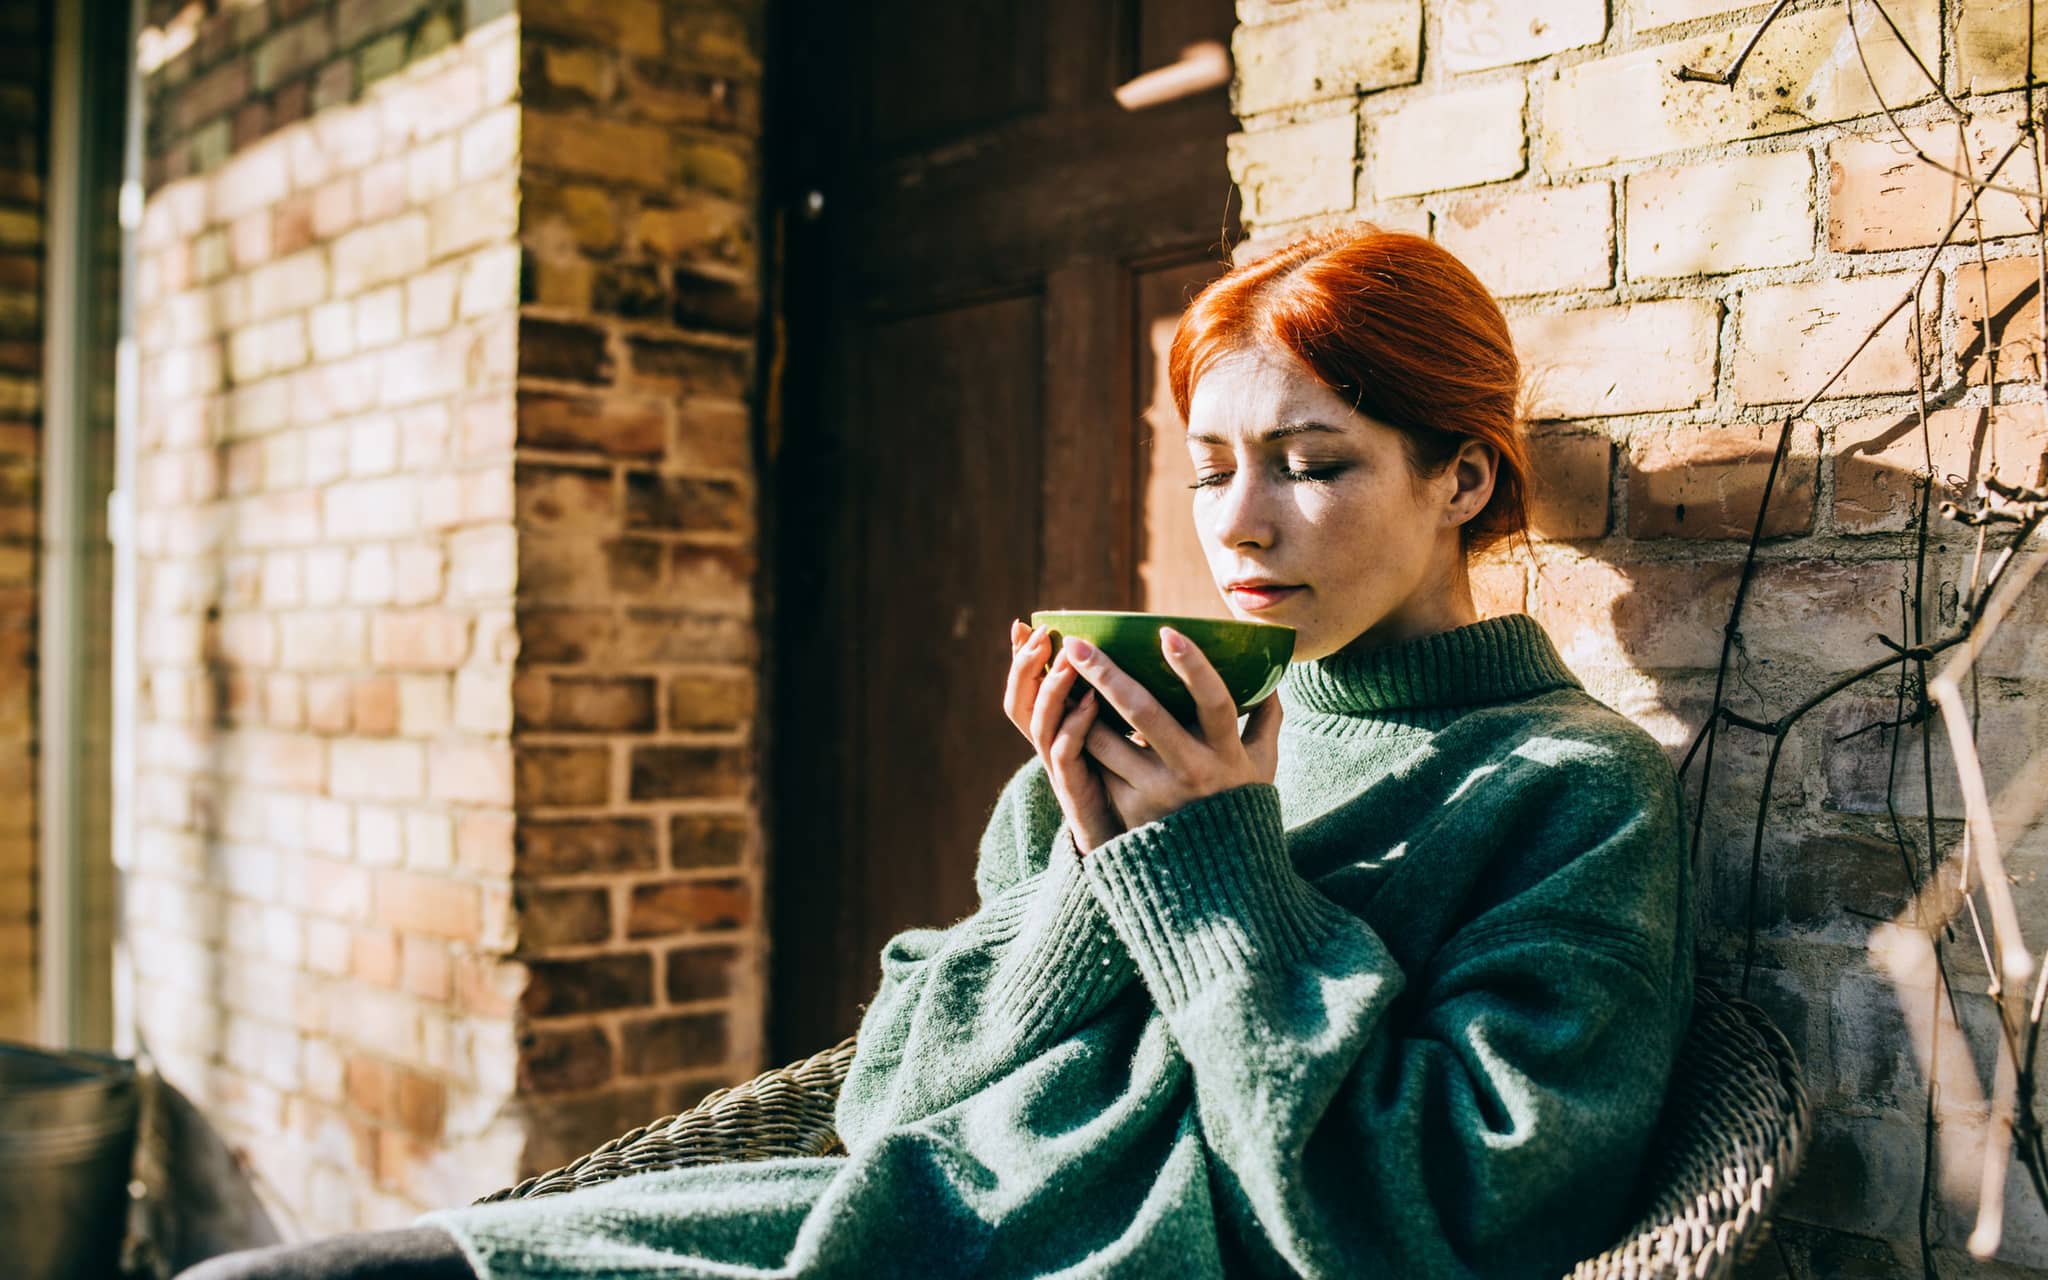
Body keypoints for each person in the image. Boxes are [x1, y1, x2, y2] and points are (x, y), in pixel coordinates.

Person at [182, 222, 1694, 1279]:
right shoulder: (1173, 729)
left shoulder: (1565, 791)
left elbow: (1439, 1224)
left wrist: (1210, 869)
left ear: (1463, 477)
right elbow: (887, 1094)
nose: (1238, 524)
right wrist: (1099, 864)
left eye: (1313, 467)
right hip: (913, 1215)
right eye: (1214, 467)